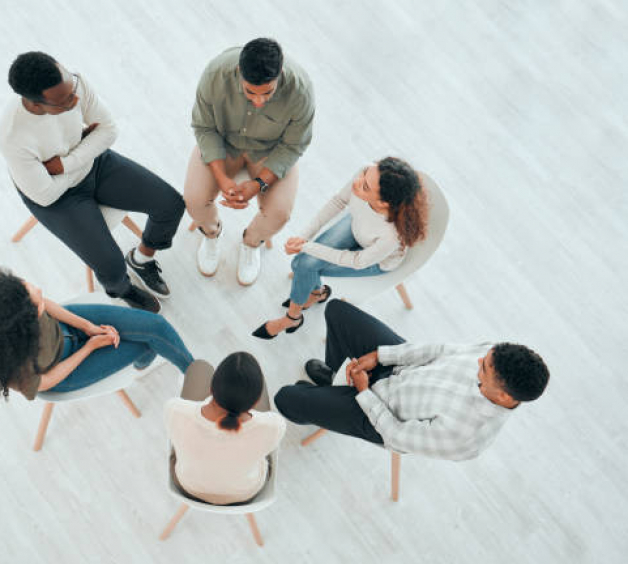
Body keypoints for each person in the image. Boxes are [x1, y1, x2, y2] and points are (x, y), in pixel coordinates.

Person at [0, 51, 186, 314]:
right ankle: (122, 289)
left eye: (72, 90)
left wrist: (64, 164)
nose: (75, 100)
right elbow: (45, 195)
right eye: (64, 102)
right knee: (110, 266)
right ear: (37, 105)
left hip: (91, 165)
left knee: (171, 204)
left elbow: (109, 130)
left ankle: (142, 259)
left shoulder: (73, 83)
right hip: (58, 199)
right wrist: (85, 147)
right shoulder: (13, 137)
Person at [275, 299, 550, 461]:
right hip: (399, 370)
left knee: (286, 399)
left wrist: (364, 393)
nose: (478, 361)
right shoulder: (496, 355)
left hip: (379, 417)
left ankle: (318, 406)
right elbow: (439, 351)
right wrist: (381, 356)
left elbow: (395, 434)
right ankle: (332, 380)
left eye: (485, 368)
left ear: (503, 396)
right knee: (336, 311)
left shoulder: (465, 438)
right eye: (485, 357)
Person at [184, 38, 315, 286]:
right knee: (194, 200)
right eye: (250, 92)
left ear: (281, 73)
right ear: (238, 73)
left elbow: (294, 145)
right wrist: (222, 178)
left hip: (271, 151)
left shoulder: (301, 91)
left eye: (267, 92)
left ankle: (251, 242)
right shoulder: (215, 74)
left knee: (280, 214)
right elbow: (204, 127)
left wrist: (258, 184)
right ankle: (212, 233)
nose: (258, 101)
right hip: (224, 144)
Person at [253, 157, 428, 339]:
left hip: (374, 261)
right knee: (302, 264)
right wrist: (303, 237)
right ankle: (316, 294)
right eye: (364, 175)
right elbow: (338, 202)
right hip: (356, 226)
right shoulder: (365, 172)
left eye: (365, 187)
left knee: (302, 264)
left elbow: (358, 261)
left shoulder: (391, 235)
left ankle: (292, 317)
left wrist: (307, 247)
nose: (356, 182)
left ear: (384, 203)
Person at [0, 269, 193, 401]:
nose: (38, 290)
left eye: (28, 286)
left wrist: (86, 326)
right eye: (35, 303)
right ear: (25, 324)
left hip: (68, 325)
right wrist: (89, 347)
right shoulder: (13, 367)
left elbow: (46, 304)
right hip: (65, 370)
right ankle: (140, 365)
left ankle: (194, 377)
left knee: (156, 328)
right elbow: (47, 382)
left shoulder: (13, 303)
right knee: (148, 344)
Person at [164, 353, 286, 505]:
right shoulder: (274, 425)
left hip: (189, 487)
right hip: (244, 494)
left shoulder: (175, 409)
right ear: (256, 402)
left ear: (211, 389)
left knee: (199, 367)